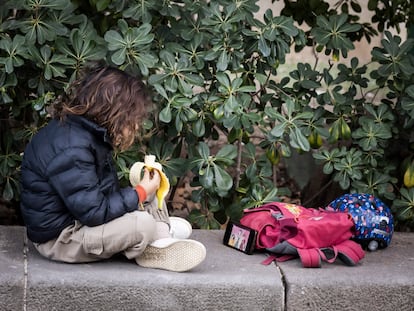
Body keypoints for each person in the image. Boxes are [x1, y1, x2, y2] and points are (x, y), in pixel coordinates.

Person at [19, 64, 206, 272]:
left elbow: (99, 197)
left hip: (81, 220)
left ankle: (160, 234)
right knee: (141, 223)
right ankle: (154, 244)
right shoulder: (72, 149)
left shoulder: (86, 133)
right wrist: (140, 193)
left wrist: (143, 191)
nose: (136, 127)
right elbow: (95, 212)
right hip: (62, 238)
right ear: (114, 113)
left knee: (151, 189)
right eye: (133, 119)